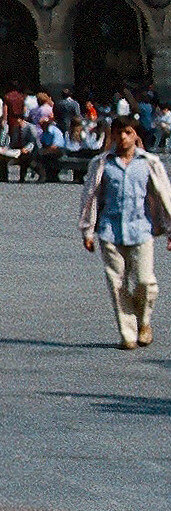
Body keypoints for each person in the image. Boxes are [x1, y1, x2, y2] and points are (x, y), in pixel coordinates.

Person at [82, 117, 171, 348]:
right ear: (112, 134)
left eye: (128, 132)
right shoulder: (102, 163)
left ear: (136, 135)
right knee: (117, 283)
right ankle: (128, 334)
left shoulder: (149, 162)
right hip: (110, 231)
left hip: (141, 230)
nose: (123, 137)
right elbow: (90, 197)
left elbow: (164, 195)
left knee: (144, 282)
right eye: (118, 132)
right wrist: (87, 230)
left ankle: (144, 321)